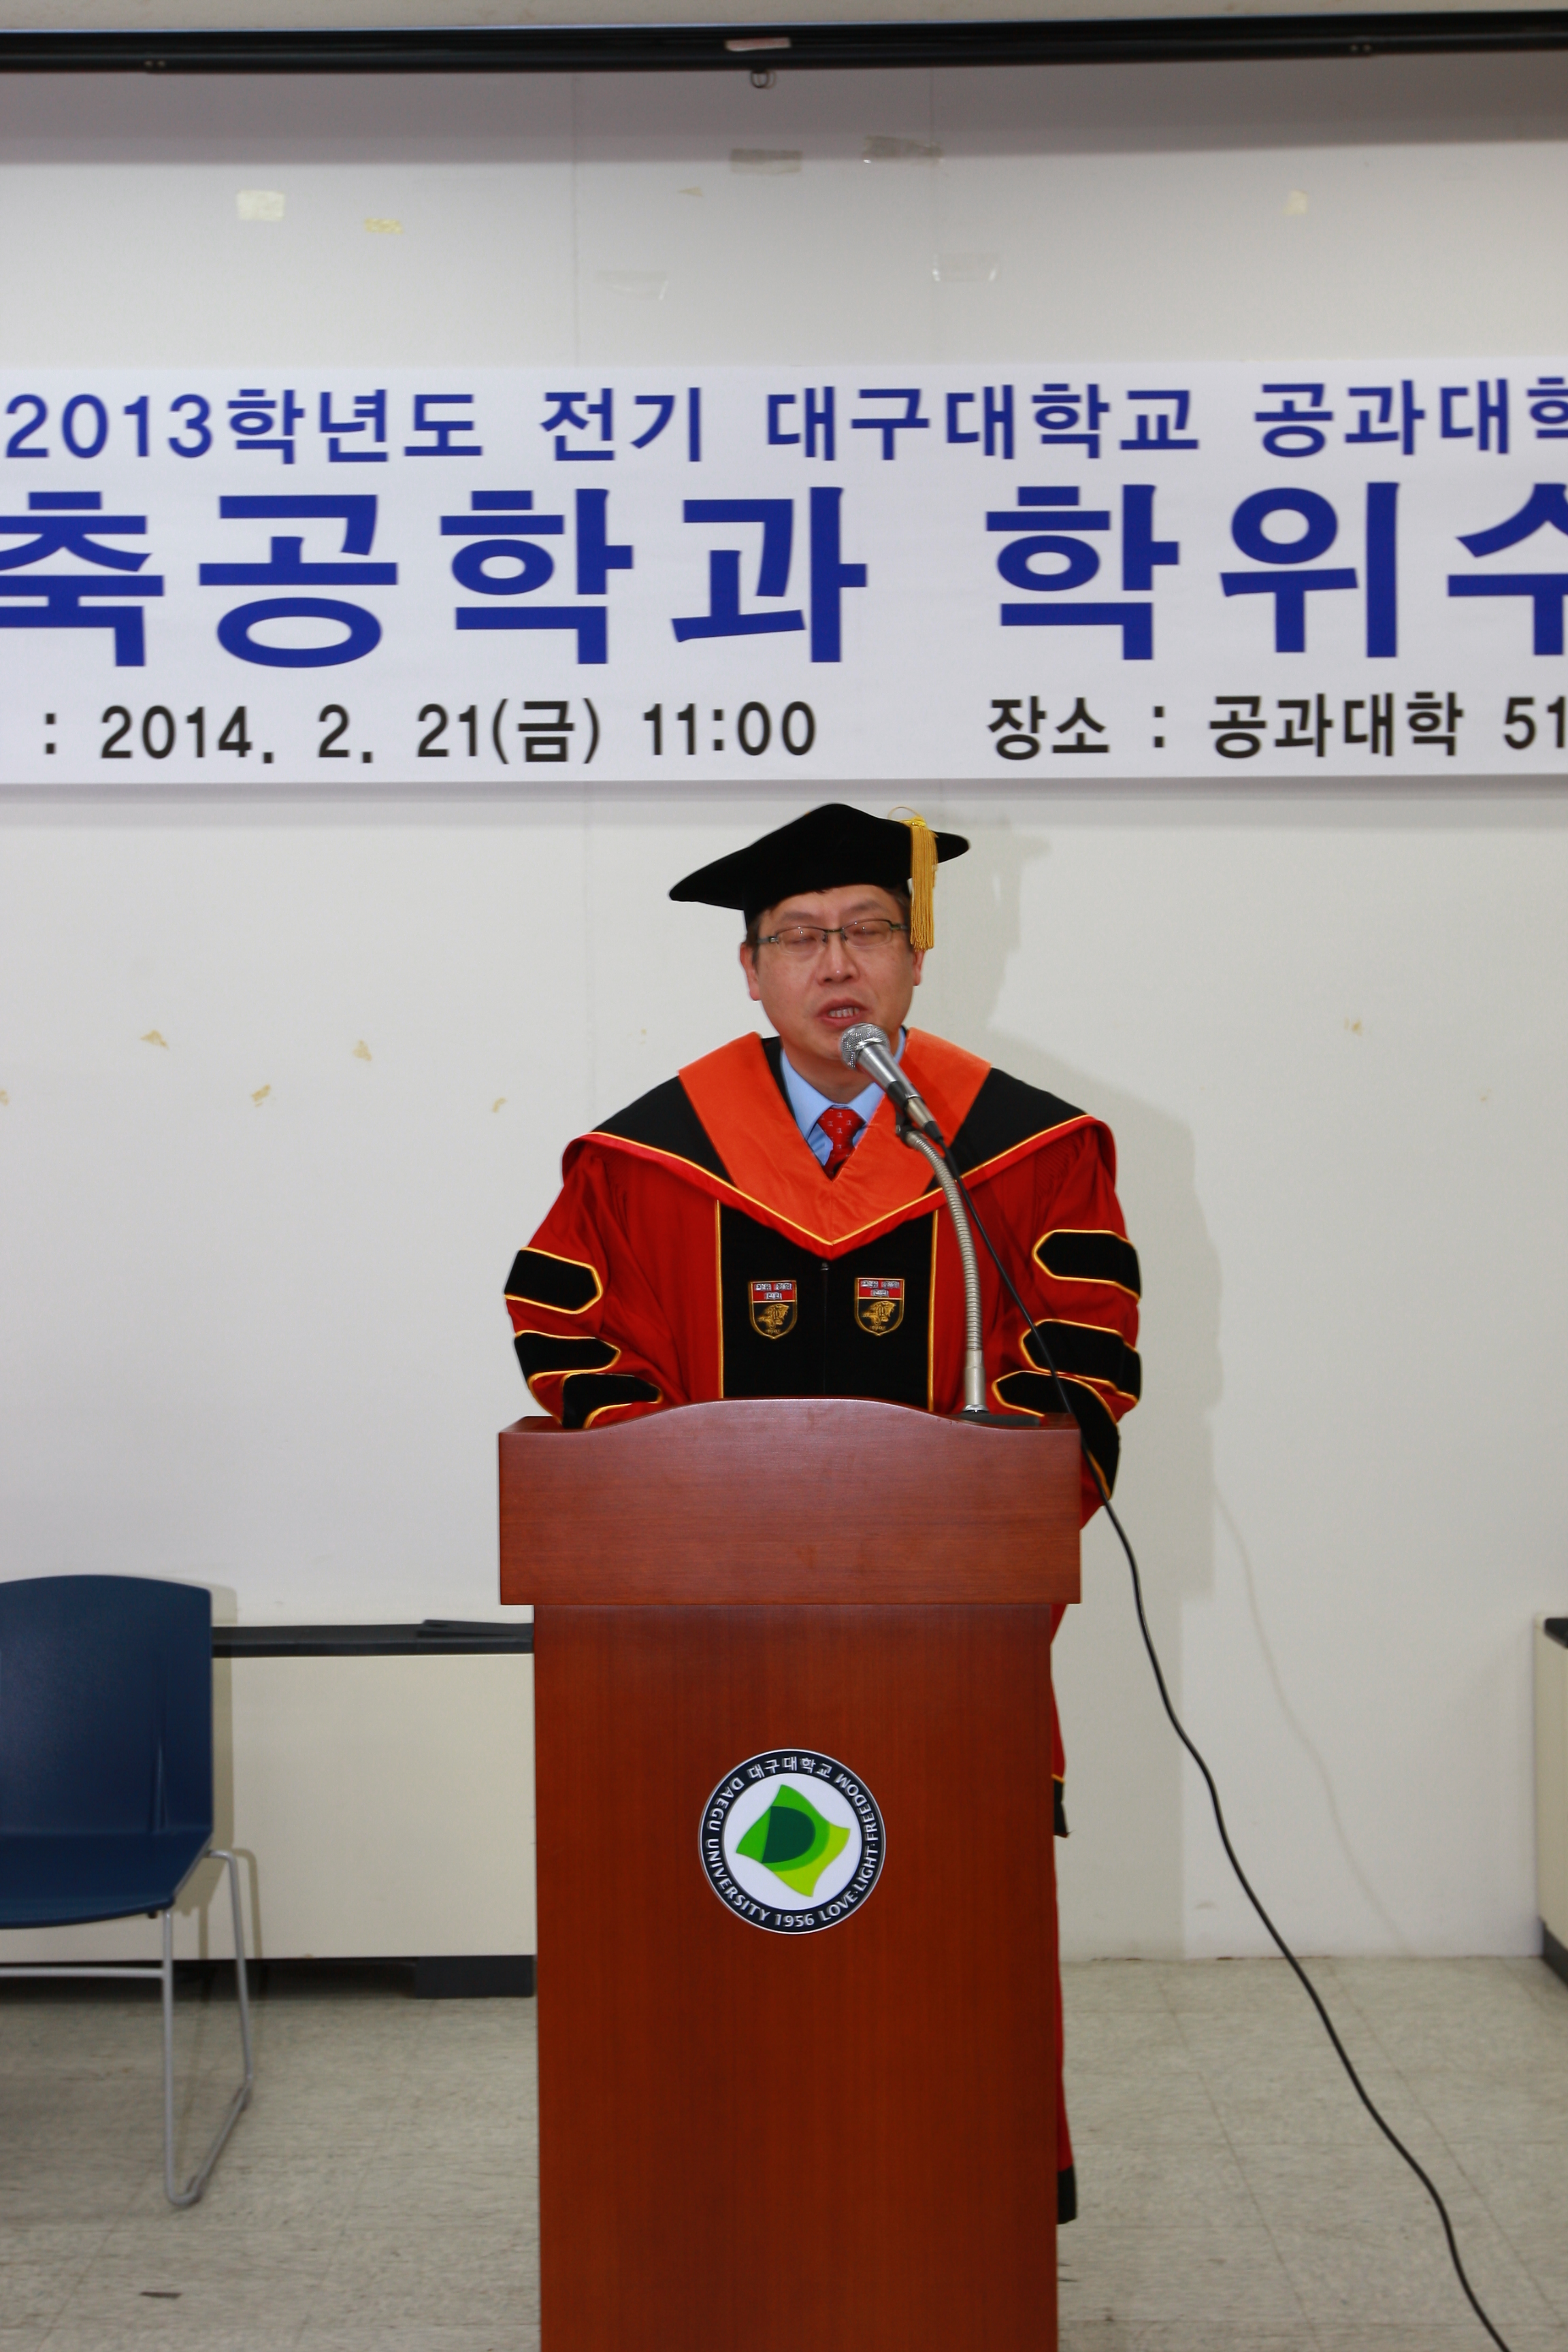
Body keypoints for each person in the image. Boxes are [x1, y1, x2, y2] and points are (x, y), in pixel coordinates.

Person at [504, 801, 1140, 2223]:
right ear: (749, 971)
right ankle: (717, 2209)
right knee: (721, 1928)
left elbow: (1082, 1349)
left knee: (942, 1939)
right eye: (798, 937)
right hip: (704, 1651)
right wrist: (675, 1503)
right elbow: (571, 1335)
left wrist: (986, 1502)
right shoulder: (642, 1160)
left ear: (916, 957)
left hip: (946, 1652)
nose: (835, 962)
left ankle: (950, 2215)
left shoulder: (1025, 1151)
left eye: (865, 931)